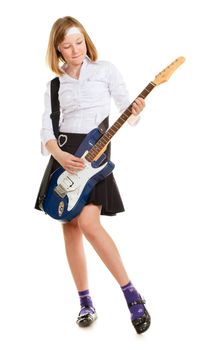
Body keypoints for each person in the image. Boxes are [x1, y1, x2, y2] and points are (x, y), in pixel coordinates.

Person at [35, 16, 151, 334]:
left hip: (96, 155)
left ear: (86, 39)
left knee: (88, 222)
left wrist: (135, 109)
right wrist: (58, 155)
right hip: (64, 158)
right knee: (70, 228)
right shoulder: (54, 85)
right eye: (67, 45)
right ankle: (85, 302)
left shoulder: (105, 70)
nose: (75, 50)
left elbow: (126, 106)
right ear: (57, 49)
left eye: (79, 42)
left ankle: (132, 295)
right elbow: (46, 128)